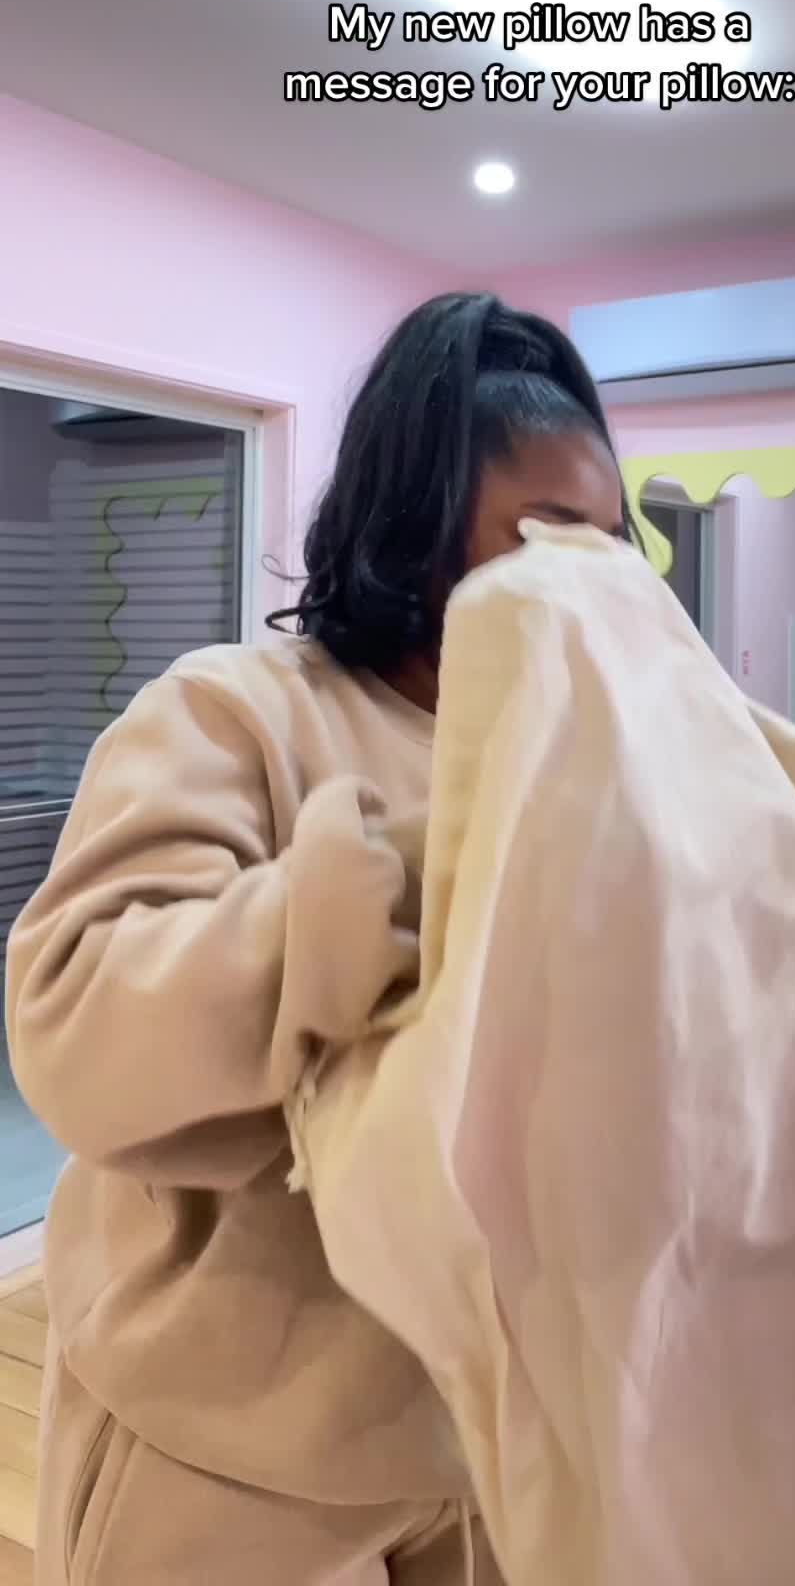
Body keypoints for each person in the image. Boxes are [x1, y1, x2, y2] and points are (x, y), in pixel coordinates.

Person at [6, 293, 630, 1586]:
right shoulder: (234, 713)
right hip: (231, 1440)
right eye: (544, 536)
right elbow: (77, 1030)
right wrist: (367, 898)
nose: (587, 582)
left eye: (609, 545)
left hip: (491, 1438)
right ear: (416, 521)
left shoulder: (580, 756)